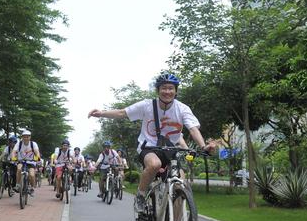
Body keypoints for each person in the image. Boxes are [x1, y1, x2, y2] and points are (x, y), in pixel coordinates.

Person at [88, 72, 215, 212]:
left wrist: (203, 146)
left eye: (171, 88)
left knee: (181, 185)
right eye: (164, 88)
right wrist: (101, 113)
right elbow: (122, 113)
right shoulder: (147, 105)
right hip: (148, 147)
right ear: (158, 90)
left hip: (170, 150)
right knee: (155, 164)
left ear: (176, 91)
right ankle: (141, 196)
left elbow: (193, 129)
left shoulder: (183, 109)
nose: (167, 91)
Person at [11, 130, 41, 195]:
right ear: (22, 137)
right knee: (19, 169)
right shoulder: (19, 143)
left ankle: (32, 188)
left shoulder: (33, 144)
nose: (26, 138)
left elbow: (36, 152)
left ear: (30, 137)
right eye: (24, 137)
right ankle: (18, 185)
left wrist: (37, 158)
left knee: (32, 175)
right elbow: (14, 151)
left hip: (31, 162)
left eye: (27, 137)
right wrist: (13, 158)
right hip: (21, 161)